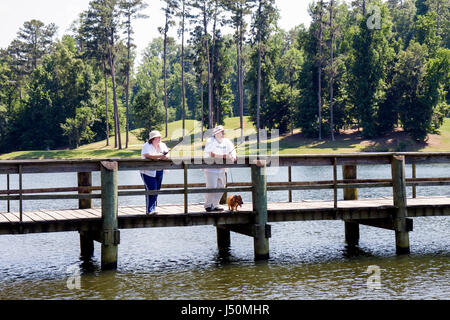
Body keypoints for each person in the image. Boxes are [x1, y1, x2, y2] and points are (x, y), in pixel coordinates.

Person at [203, 125, 236, 212]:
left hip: (222, 169)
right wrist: (225, 156)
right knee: (212, 187)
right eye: (221, 131)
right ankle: (208, 205)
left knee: (221, 187)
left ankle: (215, 205)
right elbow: (212, 154)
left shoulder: (227, 141)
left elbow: (232, 151)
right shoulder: (210, 141)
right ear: (216, 133)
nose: (223, 133)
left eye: (223, 131)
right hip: (210, 169)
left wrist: (232, 156)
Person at [141, 130, 169, 215]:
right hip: (147, 172)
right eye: (158, 137)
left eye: (160, 137)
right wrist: (161, 156)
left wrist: (165, 156)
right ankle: (150, 210)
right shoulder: (146, 146)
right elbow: (148, 155)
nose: (160, 138)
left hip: (159, 170)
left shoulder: (163, 145)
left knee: (157, 189)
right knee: (151, 189)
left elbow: (167, 155)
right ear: (153, 138)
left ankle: (151, 208)